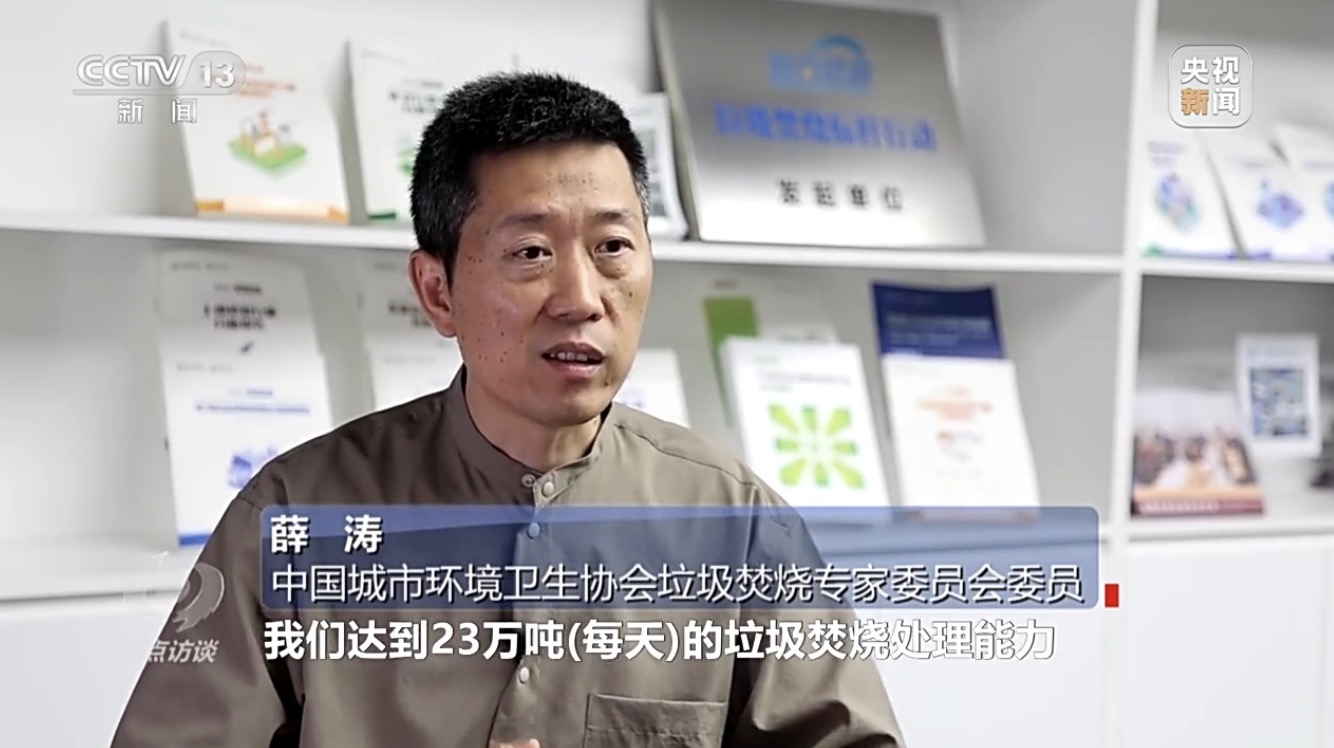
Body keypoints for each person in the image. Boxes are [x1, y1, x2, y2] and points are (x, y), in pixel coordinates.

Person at [110, 71, 904, 748]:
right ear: (437, 291)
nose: (581, 298)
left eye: (613, 247)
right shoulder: (292, 515)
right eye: (530, 253)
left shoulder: (737, 522)